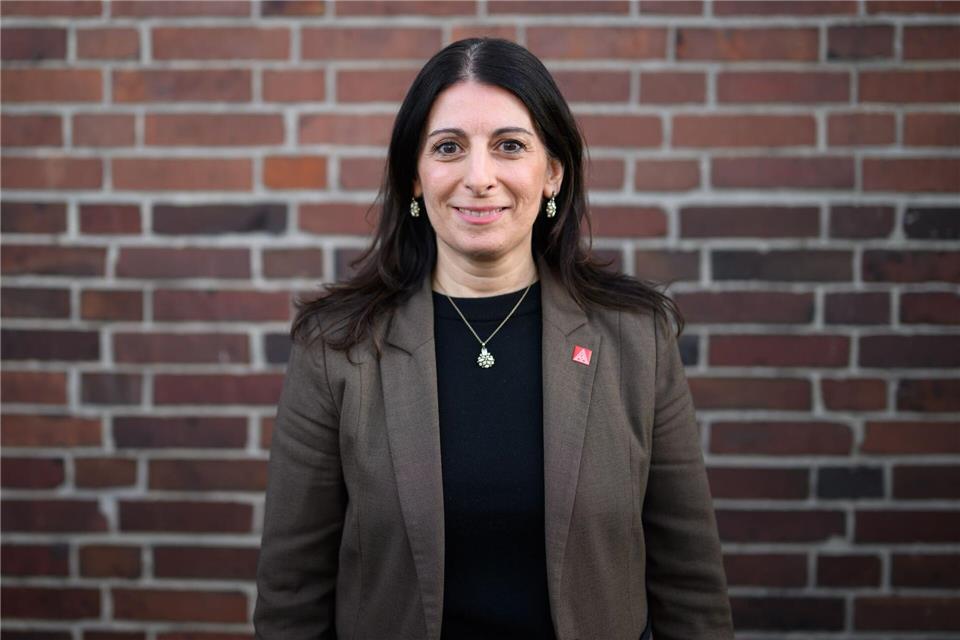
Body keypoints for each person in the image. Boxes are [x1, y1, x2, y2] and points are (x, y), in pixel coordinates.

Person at [254, 38, 734, 640]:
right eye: (449, 148)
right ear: (414, 177)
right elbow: (291, 595)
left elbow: (691, 587)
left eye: (510, 146)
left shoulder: (638, 340)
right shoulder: (335, 349)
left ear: (552, 171)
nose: (479, 178)